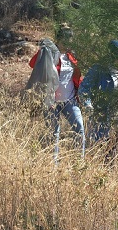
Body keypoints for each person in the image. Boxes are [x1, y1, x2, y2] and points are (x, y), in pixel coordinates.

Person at [28, 32, 85, 161]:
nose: (68, 43)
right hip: (51, 102)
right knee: (54, 134)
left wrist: (80, 96)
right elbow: (32, 64)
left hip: (69, 101)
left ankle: (79, 163)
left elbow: (77, 77)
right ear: (58, 41)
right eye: (66, 39)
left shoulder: (71, 57)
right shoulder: (49, 54)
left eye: (70, 40)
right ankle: (53, 166)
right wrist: (42, 51)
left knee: (79, 128)